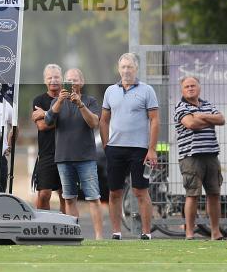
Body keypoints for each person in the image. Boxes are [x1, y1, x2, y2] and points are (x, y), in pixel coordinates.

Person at [100, 52, 159, 240]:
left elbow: (155, 120)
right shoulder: (110, 91)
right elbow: (103, 120)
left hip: (140, 149)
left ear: (136, 69)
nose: (126, 70)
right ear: (119, 69)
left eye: (130, 67)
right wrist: (105, 145)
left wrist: (151, 149)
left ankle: (146, 232)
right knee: (114, 191)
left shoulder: (147, 90)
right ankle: (116, 232)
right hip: (115, 148)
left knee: (140, 191)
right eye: (123, 67)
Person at [44, 68, 104, 239]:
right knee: (69, 198)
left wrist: (80, 104)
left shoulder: (90, 101)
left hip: (86, 157)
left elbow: (93, 123)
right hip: (64, 157)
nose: (72, 83)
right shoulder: (56, 102)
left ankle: (99, 237)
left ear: (82, 82)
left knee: (93, 197)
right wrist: (59, 102)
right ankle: (73, 234)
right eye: (69, 80)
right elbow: (48, 121)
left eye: (75, 80)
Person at [174, 76, 225, 240]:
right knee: (192, 195)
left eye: (193, 86)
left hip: (211, 155)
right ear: (182, 90)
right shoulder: (180, 107)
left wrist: (200, 116)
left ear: (199, 88)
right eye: (187, 86)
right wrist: (210, 120)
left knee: (214, 194)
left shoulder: (207, 104)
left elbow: (221, 119)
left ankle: (215, 232)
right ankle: (189, 232)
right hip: (190, 157)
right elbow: (191, 124)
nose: (190, 88)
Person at [30, 64, 64, 211]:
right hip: (46, 153)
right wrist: (66, 121)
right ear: (44, 80)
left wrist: (45, 114)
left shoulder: (69, 99)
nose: (53, 80)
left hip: (67, 152)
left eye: (56, 77)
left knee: (65, 194)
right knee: (44, 194)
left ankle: (67, 227)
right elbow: (42, 126)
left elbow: (48, 121)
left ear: (62, 79)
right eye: (49, 77)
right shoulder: (39, 100)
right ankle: (43, 225)